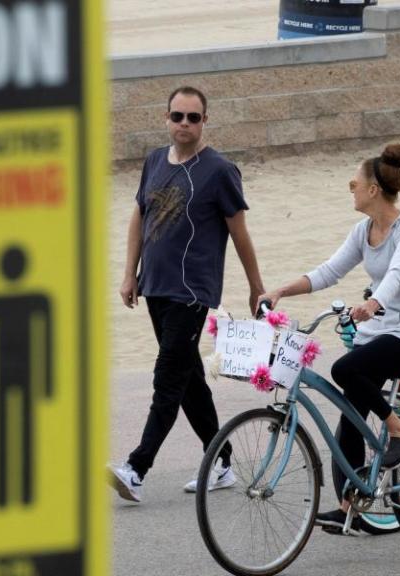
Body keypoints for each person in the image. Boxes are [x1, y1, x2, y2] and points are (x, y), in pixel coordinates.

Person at [258, 143, 400, 534]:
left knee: (345, 369)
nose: (350, 186)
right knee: (351, 416)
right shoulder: (364, 230)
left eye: (355, 181)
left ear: (374, 189)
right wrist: (280, 291)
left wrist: (374, 302)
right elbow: (328, 271)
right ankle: (351, 508)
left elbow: (397, 272)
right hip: (380, 331)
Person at [108, 86, 264, 503]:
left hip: (192, 292)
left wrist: (256, 286)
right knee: (190, 380)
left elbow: (240, 234)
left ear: (204, 122)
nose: (184, 125)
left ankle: (137, 467)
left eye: (193, 118)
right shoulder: (155, 161)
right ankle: (223, 460)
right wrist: (129, 274)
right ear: (167, 117)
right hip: (155, 287)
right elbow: (139, 216)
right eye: (178, 116)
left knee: (168, 378)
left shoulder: (219, 170)